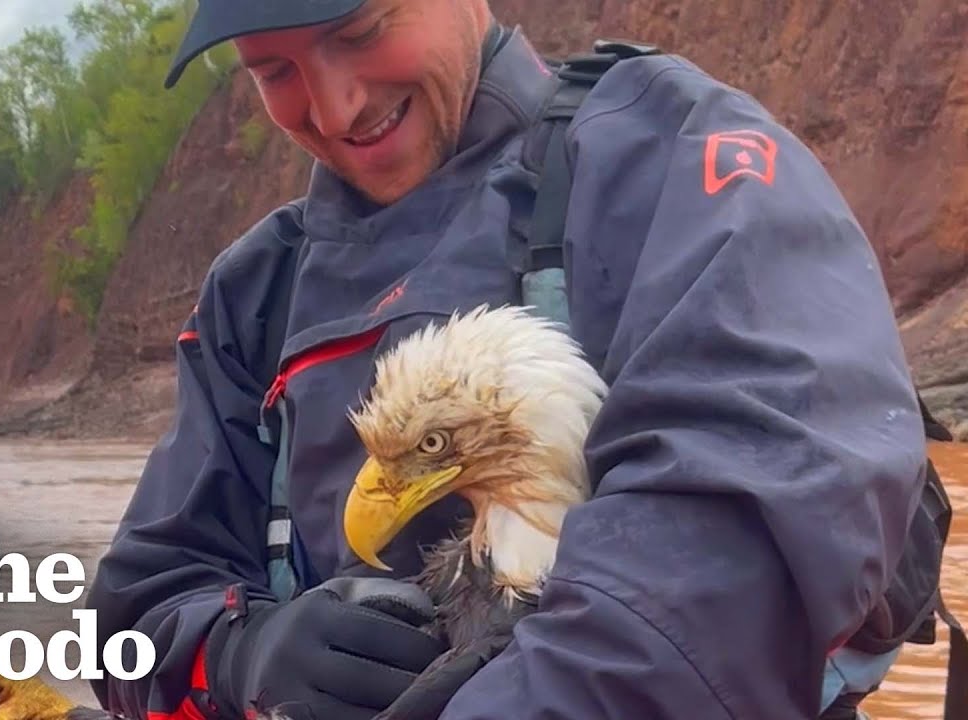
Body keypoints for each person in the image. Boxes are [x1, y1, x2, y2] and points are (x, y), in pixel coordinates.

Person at [85, 1, 932, 719]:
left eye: (360, 29)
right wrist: (243, 652)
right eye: (273, 72)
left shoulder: (670, 158)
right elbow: (128, 621)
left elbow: (743, 544)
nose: (334, 106)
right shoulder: (256, 295)